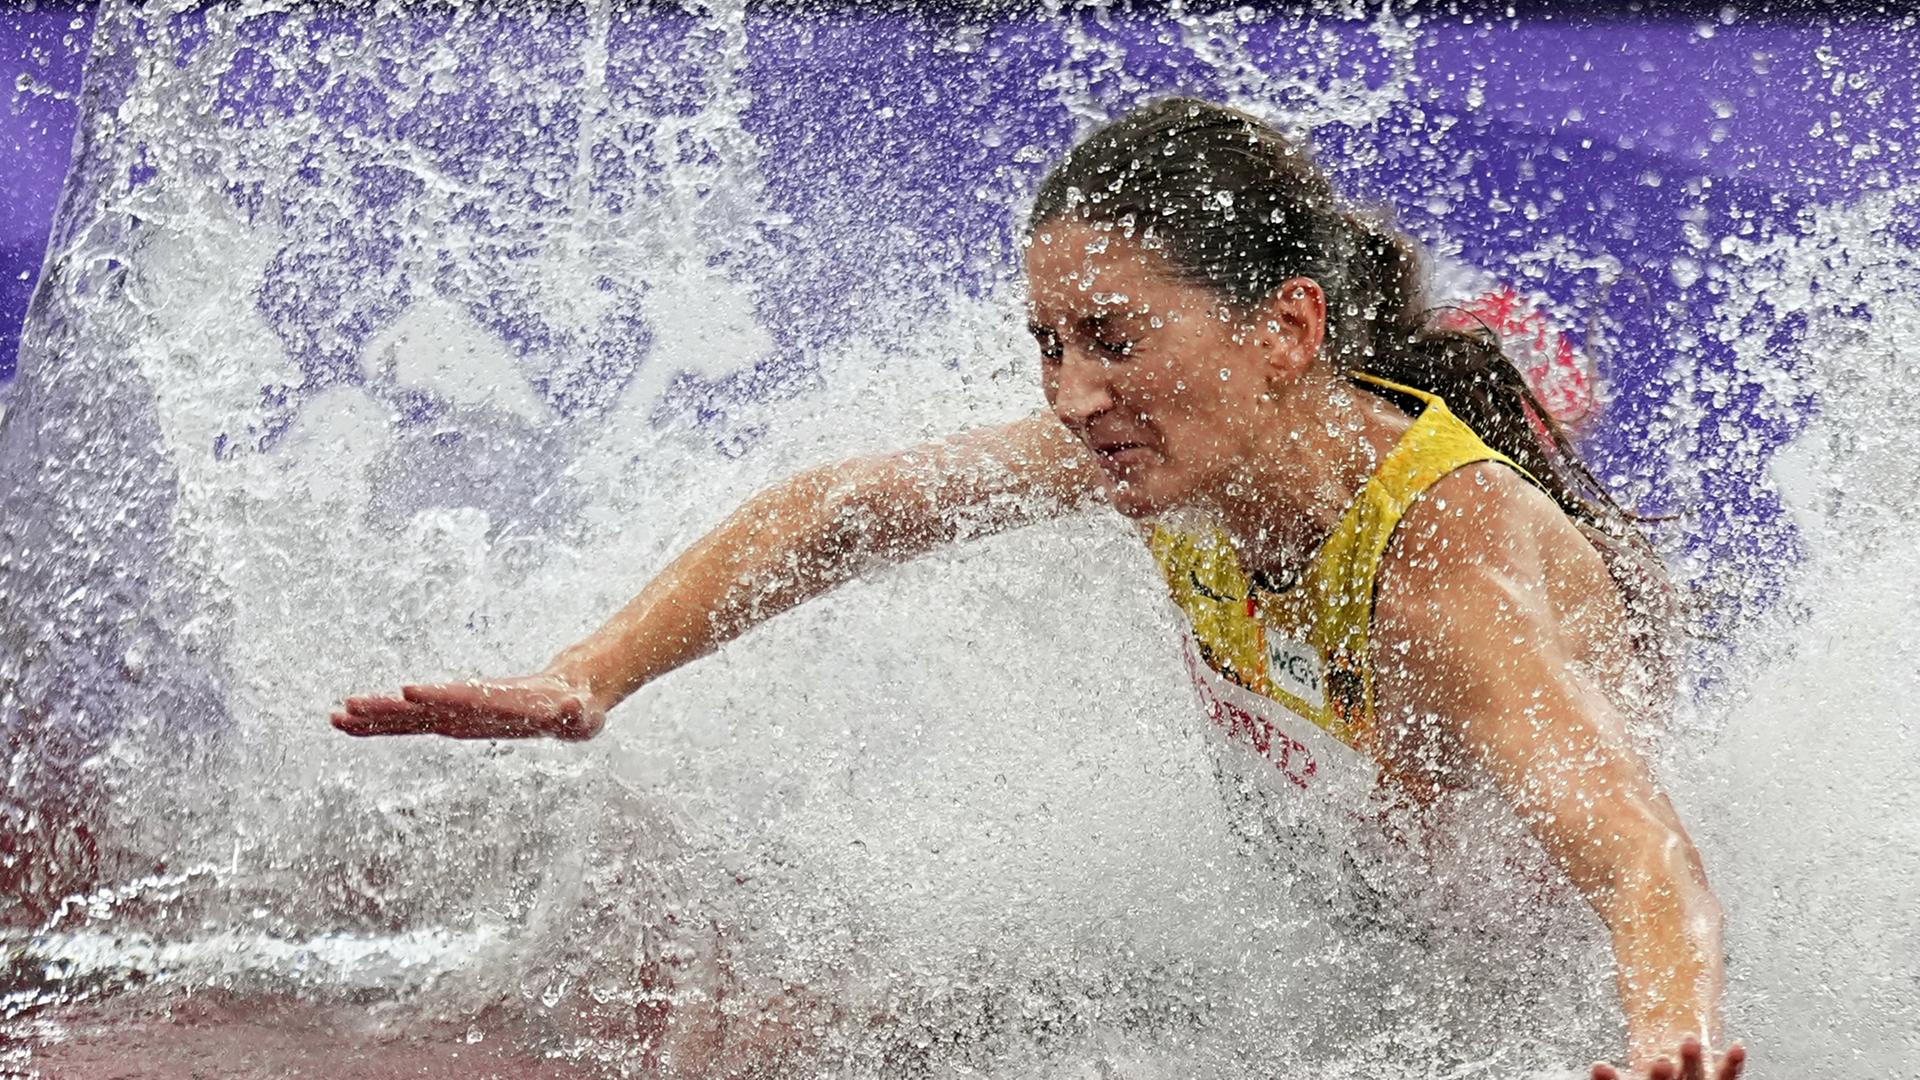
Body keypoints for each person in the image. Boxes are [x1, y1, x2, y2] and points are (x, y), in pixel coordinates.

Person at [334, 98, 1744, 1080]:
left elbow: (1636, 849)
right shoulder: (1184, 454)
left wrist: (1669, 1040)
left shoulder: (1449, 570)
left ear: (1285, 329)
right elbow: (837, 516)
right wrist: (596, 674)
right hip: (1347, 931)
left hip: (1534, 995)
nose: (1071, 395)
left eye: (1113, 338)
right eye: (1048, 342)